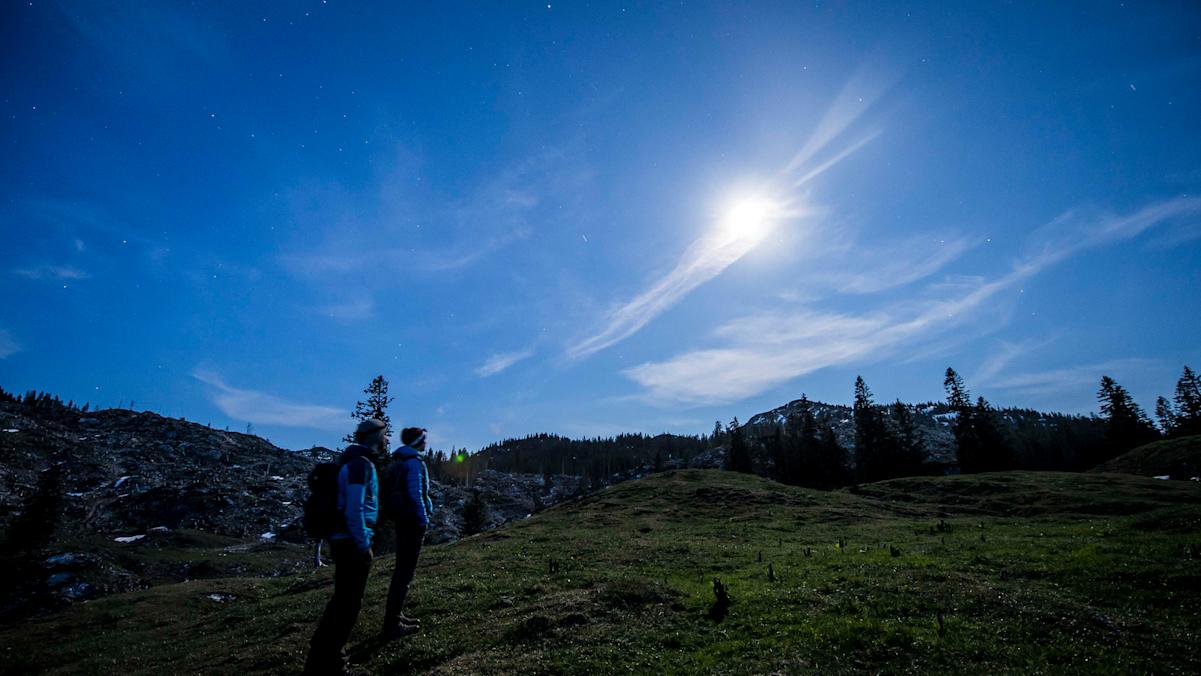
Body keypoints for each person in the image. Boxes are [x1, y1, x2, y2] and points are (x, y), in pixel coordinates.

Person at [304, 419, 385, 675]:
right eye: (384, 435)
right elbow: (354, 508)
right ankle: (332, 664)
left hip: (343, 540)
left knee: (342, 602)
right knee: (347, 605)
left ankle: (320, 660)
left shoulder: (352, 462)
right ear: (375, 437)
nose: (387, 440)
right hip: (351, 543)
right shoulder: (360, 465)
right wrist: (363, 544)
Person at [380, 426, 434, 640]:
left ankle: (396, 616)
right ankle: (392, 624)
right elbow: (415, 494)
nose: (426, 442)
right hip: (412, 521)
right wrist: (423, 519)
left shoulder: (402, 460)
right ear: (418, 442)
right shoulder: (413, 462)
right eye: (424, 439)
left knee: (402, 571)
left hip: (403, 519)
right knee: (404, 573)